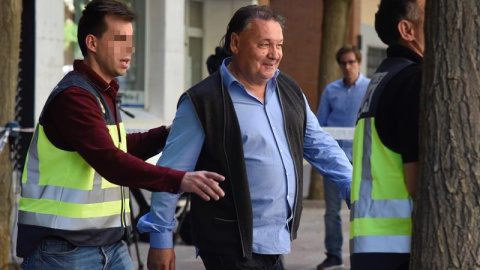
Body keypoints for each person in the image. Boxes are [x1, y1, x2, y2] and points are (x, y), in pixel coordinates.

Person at [138, 5, 352, 270]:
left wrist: (351, 185)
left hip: (276, 242)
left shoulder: (289, 90)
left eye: (279, 45)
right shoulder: (203, 102)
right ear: (236, 43)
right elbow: (170, 173)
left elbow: (319, 144)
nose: (274, 55)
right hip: (228, 246)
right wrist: (161, 240)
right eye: (264, 45)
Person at [16, 1, 225, 269]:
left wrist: (171, 133)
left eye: (131, 40)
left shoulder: (102, 92)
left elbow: (121, 147)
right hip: (65, 251)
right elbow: (111, 161)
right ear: (92, 43)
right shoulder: (75, 97)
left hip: (109, 245)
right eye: (120, 40)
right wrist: (180, 180)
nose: (130, 50)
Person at [350, 0, 425, 269]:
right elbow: (418, 181)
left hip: (373, 246)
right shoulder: (413, 81)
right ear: (407, 29)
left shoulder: (382, 78)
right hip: (402, 246)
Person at [315, 45, 370, 270]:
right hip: (334, 161)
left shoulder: (369, 88)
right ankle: (334, 254)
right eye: (343, 63)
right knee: (332, 211)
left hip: (362, 160)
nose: (347, 67)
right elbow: (319, 125)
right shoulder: (330, 91)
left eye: (351, 62)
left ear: (359, 63)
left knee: (364, 209)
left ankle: (365, 253)